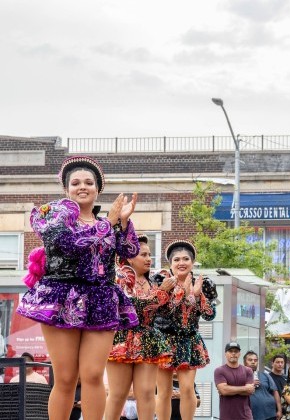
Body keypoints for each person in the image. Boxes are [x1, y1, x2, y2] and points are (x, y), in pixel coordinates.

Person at [16, 156, 140, 420]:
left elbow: (129, 251)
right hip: (62, 296)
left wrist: (124, 222)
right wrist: (109, 222)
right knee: (65, 377)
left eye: (88, 182)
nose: (82, 186)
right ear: (66, 189)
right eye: (75, 183)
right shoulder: (52, 214)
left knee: (94, 374)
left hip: (101, 299)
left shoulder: (108, 222)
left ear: (97, 189)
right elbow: (69, 243)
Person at [105, 234, 176, 420]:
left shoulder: (154, 281)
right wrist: (161, 294)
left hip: (148, 338)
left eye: (150, 254)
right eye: (143, 254)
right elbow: (132, 308)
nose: (148, 259)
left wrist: (174, 295)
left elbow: (165, 314)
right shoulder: (121, 278)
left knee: (145, 392)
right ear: (129, 257)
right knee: (118, 393)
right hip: (123, 337)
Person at [155, 240, 217, 420]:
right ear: (170, 263)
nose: (181, 263)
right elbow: (158, 312)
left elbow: (210, 315)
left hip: (189, 340)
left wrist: (197, 297)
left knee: (187, 388)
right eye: (176, 259)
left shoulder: (204, 283)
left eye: (185, 259)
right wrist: (179, 294)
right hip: (164, 340)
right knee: (164, 390)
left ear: (192, 262)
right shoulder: (161, 280)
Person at [214, 341, 255, 419]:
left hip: (245, 416)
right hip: (227, 416)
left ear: (239, 354)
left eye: (236, 351)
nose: (233, 353)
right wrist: (245, 388)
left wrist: (229, 389)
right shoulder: (219, 371)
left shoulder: (248, 371)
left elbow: (250, 391)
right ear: (225, 353)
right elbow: (224, 391)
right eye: (230, 351)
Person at [244, 350, 283, 420]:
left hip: (270, 414)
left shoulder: (265, 375)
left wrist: (279, 410)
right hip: (252, 415)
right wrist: (250, 384)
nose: (253, 362)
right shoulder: (240, 377)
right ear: (244, 362)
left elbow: (275, 392)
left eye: (255, 360)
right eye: (250, 360)